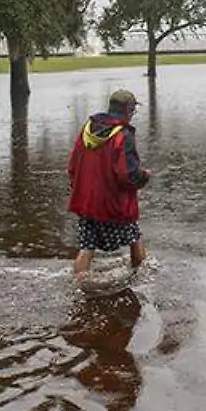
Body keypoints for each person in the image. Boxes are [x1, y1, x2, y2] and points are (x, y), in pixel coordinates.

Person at [67, 89, 153, 281]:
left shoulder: (87, 128)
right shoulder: (123, 135)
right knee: (135, 237)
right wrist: (144, 176)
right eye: (132, 111)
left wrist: (80, 189)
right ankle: (142, 278)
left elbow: (72, 165)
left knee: (87, 247)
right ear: (127, 110)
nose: (133, 115)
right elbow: (127, 175)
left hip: (87, 202)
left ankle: (78, 284)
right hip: (112, 203)